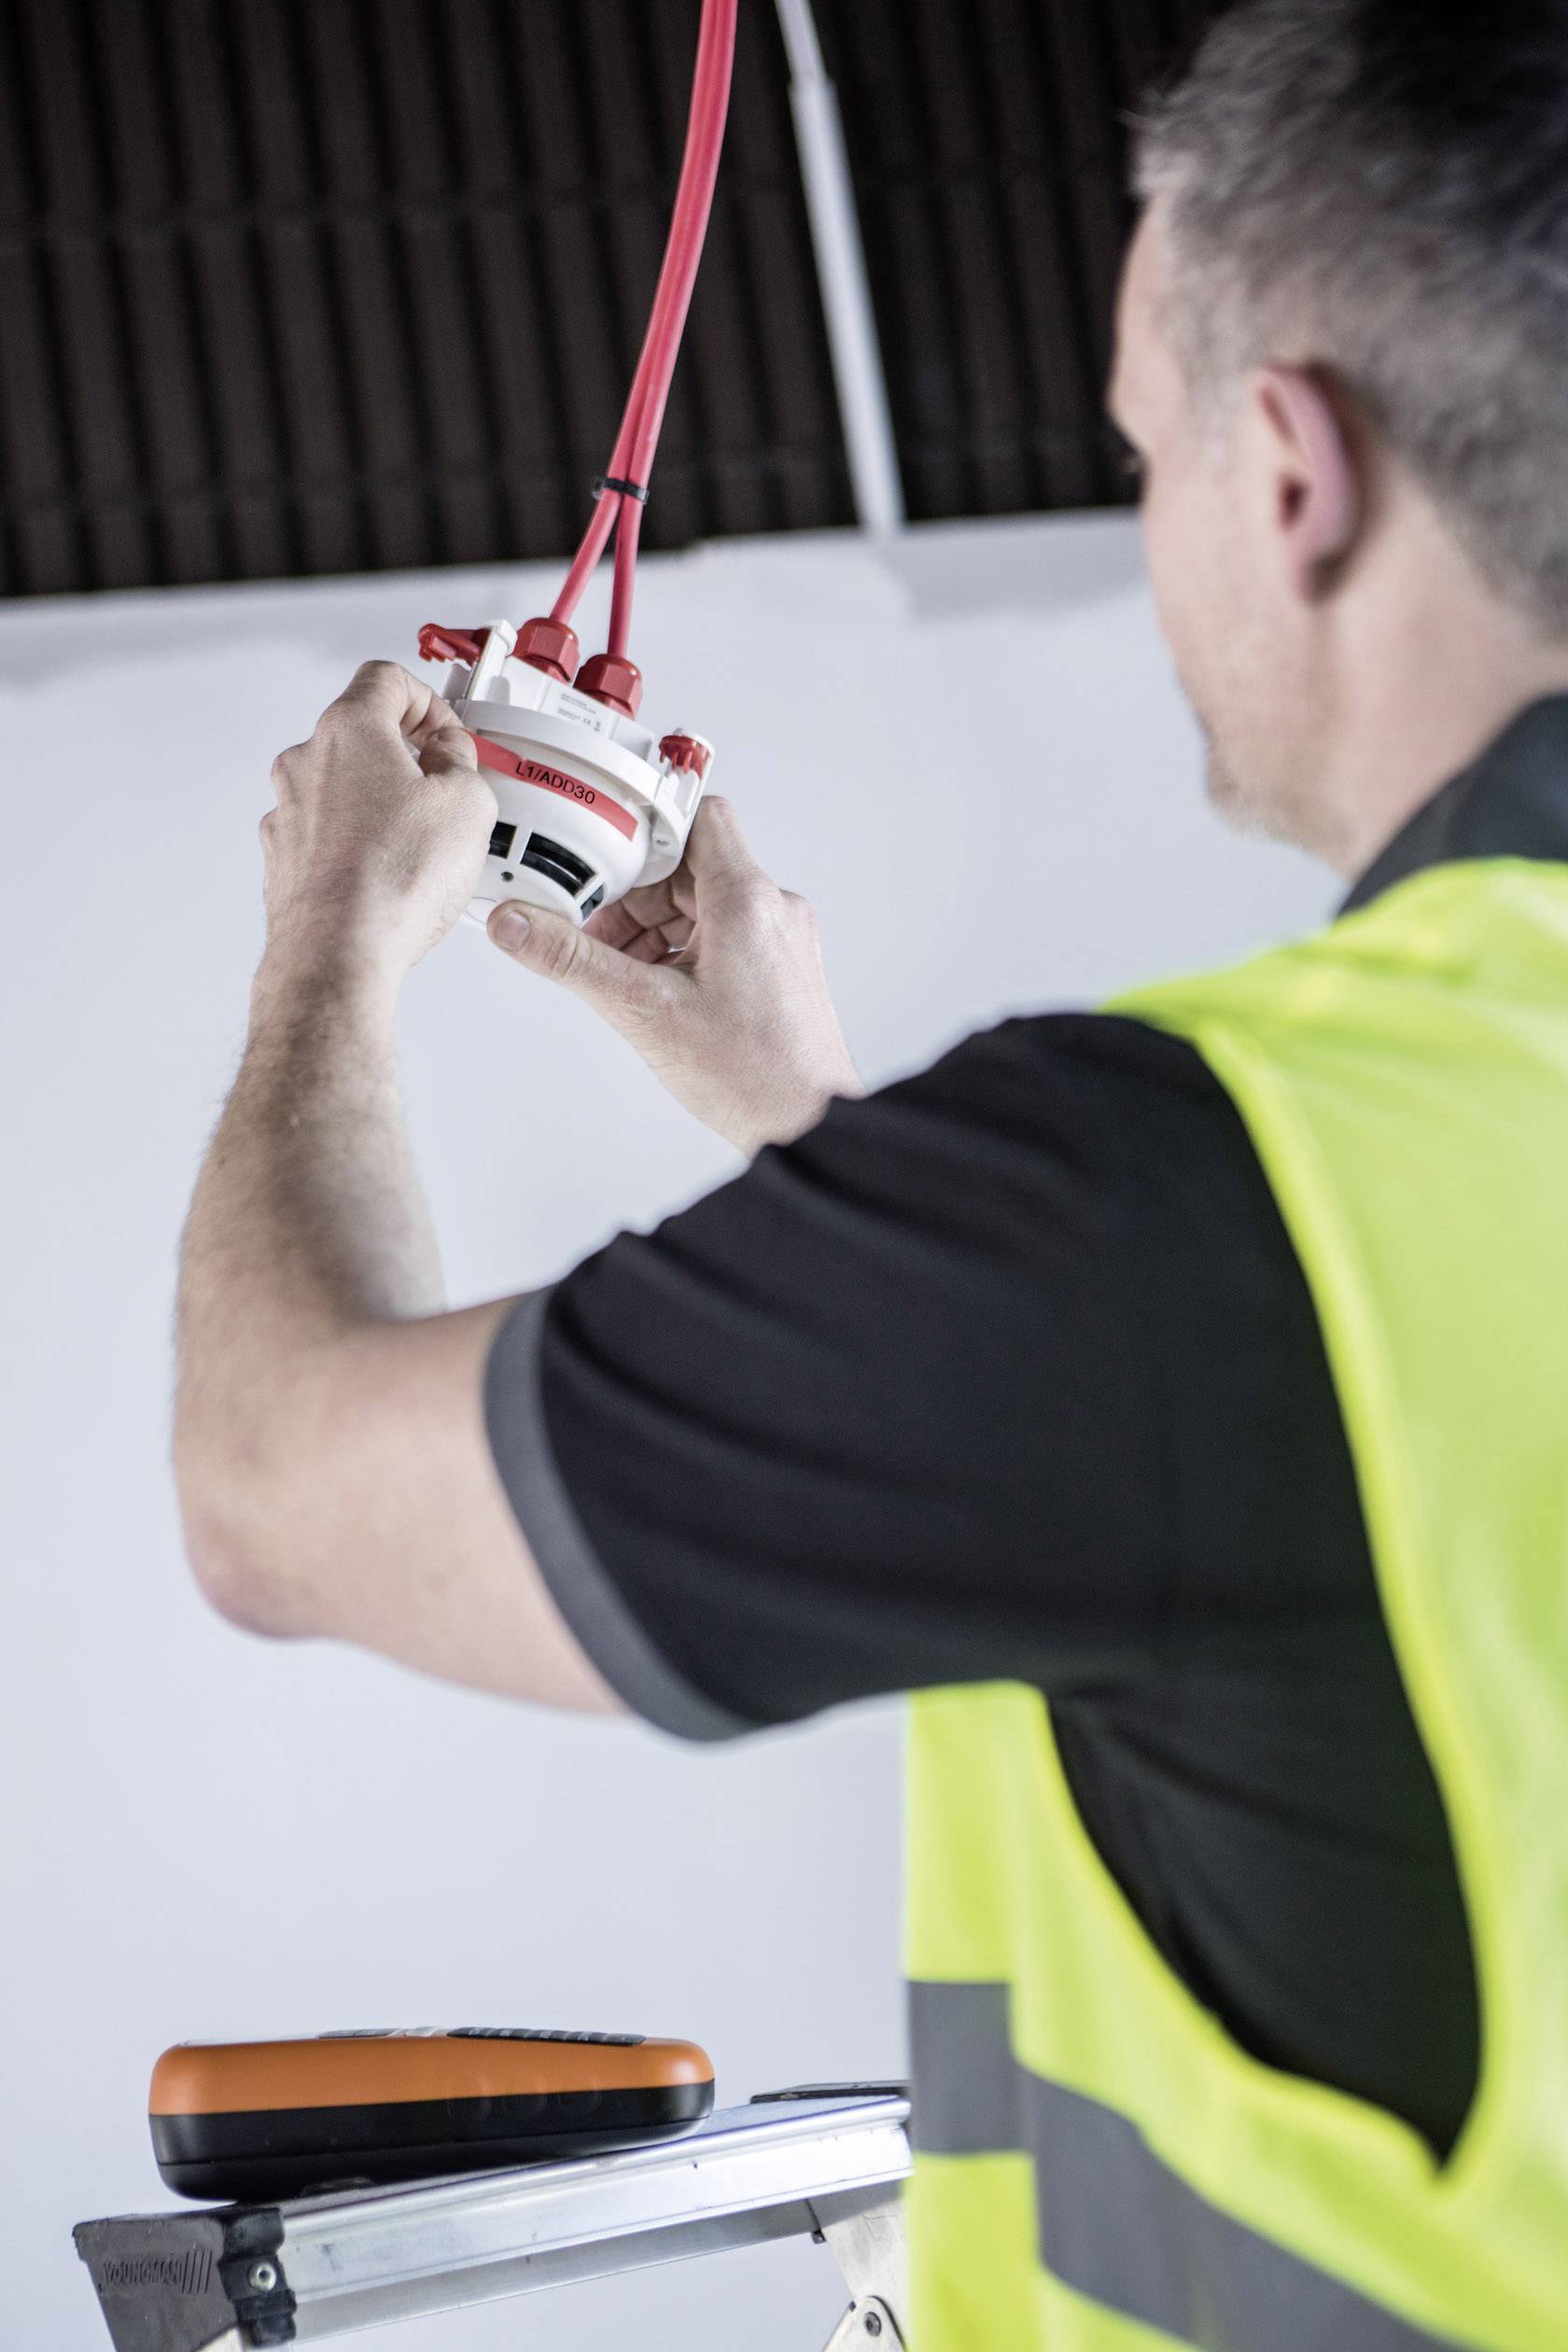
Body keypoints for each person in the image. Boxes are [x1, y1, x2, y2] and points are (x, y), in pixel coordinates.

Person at [173, 3, 1568, 2344]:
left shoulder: (1187, 1205)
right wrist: (827, 1149)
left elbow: (274, 1485)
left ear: (1290, 467)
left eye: (1146, 458)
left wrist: (334, 934)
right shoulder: (1234, 1235)